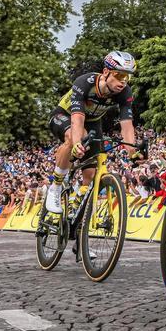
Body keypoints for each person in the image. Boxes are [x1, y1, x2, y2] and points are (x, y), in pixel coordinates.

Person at [46, 51, 143, 218]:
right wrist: (77, 143)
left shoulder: (125, 92)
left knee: (90, 175)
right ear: (106, 72)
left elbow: (126, 126)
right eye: (119, 75)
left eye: (128, 77)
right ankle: (55, 186)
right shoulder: (84, 83)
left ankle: (76, 208)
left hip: (93, 121)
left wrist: (132, 151)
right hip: (66, 115)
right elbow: (77, 119)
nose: (123, 82)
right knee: (74, 138)